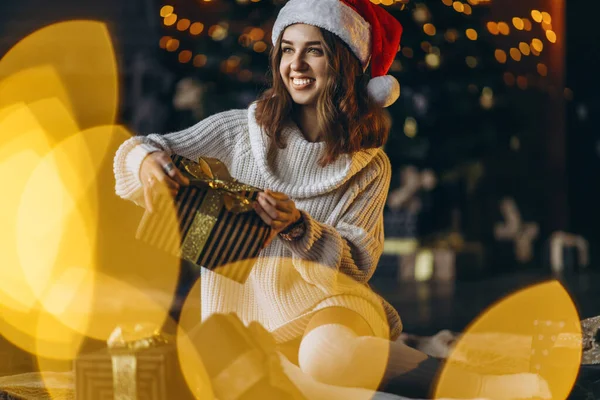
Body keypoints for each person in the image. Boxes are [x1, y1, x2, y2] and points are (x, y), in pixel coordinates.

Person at [114, 0, 552, 398]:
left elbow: (358, 263)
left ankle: (475, 384)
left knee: (327, 357)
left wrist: (299, 227)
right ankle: (400, 356)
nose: (296, 64)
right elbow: (135, 150)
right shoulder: (238, 132)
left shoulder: (369, 164)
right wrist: (148, 163)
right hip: (244, 317)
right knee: (278, 383)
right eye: (287, 49)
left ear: (342, 63)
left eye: (314, 50)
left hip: (332, 304)